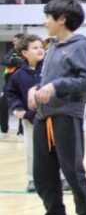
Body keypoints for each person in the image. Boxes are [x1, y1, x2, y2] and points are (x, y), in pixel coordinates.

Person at [24, 0, 86, 215]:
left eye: (48, 17)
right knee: (42, 172)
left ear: (62, 19)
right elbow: (48, 80)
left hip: (66, 116)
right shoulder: (53, 47)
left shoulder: (79, 46)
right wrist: (35, 88)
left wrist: (56, 86)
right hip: (43, 117)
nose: (45, 22)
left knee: (72, 169)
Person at [5, 34, 44, 192]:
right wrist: (18, 109)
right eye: (35, 48)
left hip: (52, 117)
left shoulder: (50, 68)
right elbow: (11, 93)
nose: (40, 50)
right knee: (31, 150)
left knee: (57, 149)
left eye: (41, 47)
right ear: (24, 53)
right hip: (29, 119)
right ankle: (32, 179)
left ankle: (61, 177)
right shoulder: (18, 74)